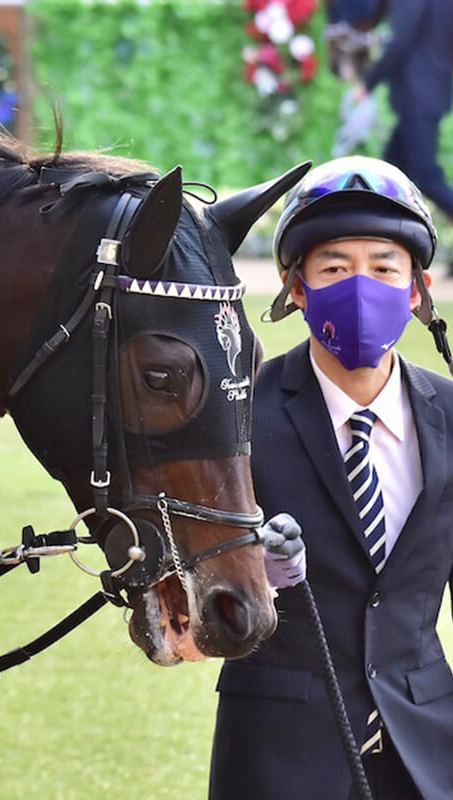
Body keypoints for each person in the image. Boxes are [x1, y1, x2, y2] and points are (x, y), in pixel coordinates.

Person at [209, 156, 453, 800]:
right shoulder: (238, 416)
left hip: (427, 749)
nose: (361, 285)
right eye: (335, 268)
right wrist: (257, 574)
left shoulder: (452, 415)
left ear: (417, 287)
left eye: (383, 267)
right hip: (278, 751)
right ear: (297, 288)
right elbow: (191, 602)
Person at [353, 0, 453, 227]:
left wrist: (368, 82)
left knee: (426, 176)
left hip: (418, 94)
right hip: (429, 91)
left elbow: (399, 42)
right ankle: (379, 236)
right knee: (390, 176)